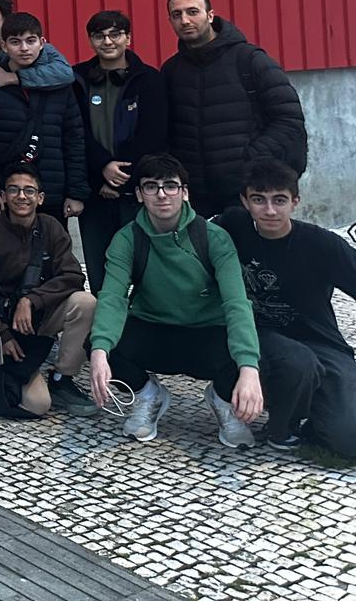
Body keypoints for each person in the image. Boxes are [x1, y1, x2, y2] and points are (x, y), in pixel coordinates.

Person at [88, 154, 263, 447]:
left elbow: (236, 303)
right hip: (154, 329)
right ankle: (148, 396)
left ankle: (222, 399)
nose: (161, 194)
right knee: (97, 343)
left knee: (256, 349)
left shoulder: (214, 238)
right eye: (151, 187)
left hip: (207, 333)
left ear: (184, 192)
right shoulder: (127, 239)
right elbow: (113, 297)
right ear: (139, 195)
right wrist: (99, 351)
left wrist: (248, 369)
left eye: (170, 186)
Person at [215, 159, 356, 457]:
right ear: (245, 201)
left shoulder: (322, 245)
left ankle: (316, 411)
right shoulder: (233, 227)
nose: (269, 210)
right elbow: (189, 233)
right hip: (260, 337)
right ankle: (281, 425)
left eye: (279, 200)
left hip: (321, 341)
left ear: (295, 202)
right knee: (297, 361)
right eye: (259, 200)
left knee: (349, 440)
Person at [161, 0, 307, 217]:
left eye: (192, 12)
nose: (185, 20)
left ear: (210, 15)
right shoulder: (171, 70)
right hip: (196, 195)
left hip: (246, 191)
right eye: (177, 15)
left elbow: (288, 120)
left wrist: (249, 158)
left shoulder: (250, 60)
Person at [0, 164, 99, 416]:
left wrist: (32, 300)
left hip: (41, 316)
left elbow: (73, 275)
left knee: (86, 303)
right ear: (3, 196)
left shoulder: (51, 226)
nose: (21, 196)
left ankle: (62, 378)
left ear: (40, 198)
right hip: (4, 323)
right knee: (38, 404)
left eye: (29, 190)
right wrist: (2, 335)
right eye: (14, 190)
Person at [72, 10, 167, 294]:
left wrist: (122, 176)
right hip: (94, 191)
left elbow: (153, 133)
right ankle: (105, 319)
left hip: (135, 190)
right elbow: (76, 130)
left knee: (143, 267)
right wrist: (102, 168)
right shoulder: (76, 79)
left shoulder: (148, 79)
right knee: (99, 270)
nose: (107, 41)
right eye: (99, 36)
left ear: (128, 38)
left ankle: (141, 319)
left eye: (115, 34)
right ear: (90, 40)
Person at [0, 13, 88, 222]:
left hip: (51, 192)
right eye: (15, 42)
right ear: (4, 46)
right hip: (4, 193)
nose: (24, 48)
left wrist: (76, 192)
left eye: (30, 41)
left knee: (52, 243)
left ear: (42, 43)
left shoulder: (60, 87)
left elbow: (74, 140)